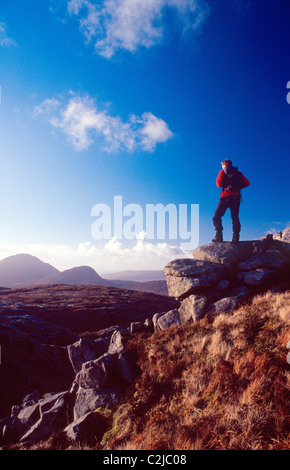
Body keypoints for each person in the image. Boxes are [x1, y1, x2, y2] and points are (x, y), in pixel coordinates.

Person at [212, 159, 250, 243]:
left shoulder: (222, 172)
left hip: (225, 197)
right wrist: (237, 187)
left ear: (224, 165)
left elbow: (218, 184)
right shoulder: (238, 173)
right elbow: (247, 183)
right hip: (236, 197)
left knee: (217, 216)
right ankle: (235, 237)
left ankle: (219, 236)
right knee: (235, 217)